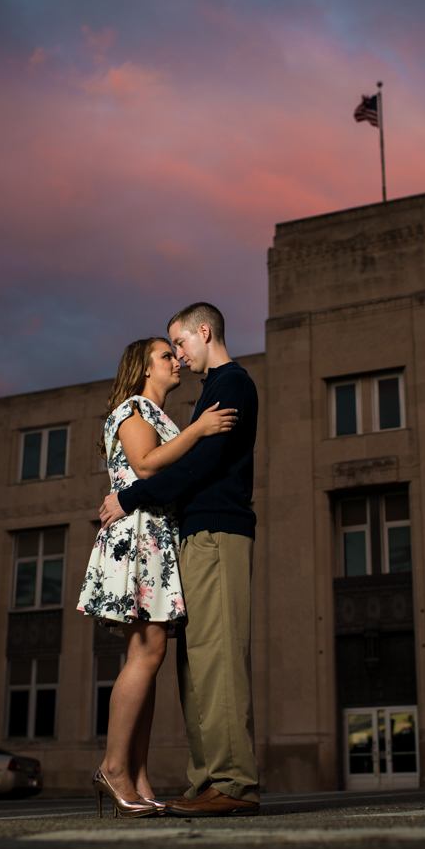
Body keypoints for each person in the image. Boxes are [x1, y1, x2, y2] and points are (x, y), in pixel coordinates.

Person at [99, 302, 260, 818]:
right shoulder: (185, 404)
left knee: (215, 659)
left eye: (181, 345)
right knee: (193, 664)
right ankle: (206, 780)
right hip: (185, 537)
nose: (180, 357)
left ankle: (230, 783)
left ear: (203, 332)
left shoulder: (230, 385)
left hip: (214, 530)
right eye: (169, 352)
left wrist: (127, 498)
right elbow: (165, 461)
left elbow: (204, 462)